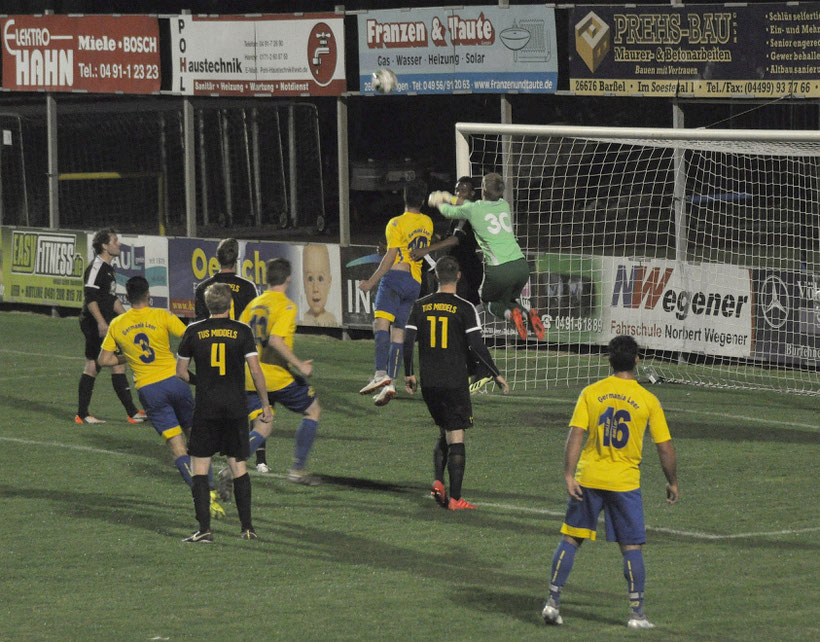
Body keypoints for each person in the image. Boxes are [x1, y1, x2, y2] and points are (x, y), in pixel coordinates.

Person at [540, 335, 679, 629]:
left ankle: (552, 603)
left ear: (609, 360)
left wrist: (568, 474)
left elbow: (576, 434)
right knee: (631, 547)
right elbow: (664, 447)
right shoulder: (648, 399)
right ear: (637, 361)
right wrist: (672, 482)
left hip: (588, 478)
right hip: (624, 484)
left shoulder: (592, 392)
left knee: (571, 538)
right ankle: (637, 615)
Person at [97, 276, 227, 521]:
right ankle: (209, 487)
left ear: (127, 297)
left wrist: (129, 357)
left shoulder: (117, 324)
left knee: (177, 449)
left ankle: (204, 496)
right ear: (148, 295)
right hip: (175, 381)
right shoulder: (162, 315)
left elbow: (103, 360)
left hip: (149, 389)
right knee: (196, 439)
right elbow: (190, 337)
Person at [403, 256, 509, 510]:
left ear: (436, 276)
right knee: (457, 435)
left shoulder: (420, 305)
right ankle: (456, 499)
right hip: (454, 381)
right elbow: (476, 345)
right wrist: (495, 372)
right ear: (459, 276)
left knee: (444, 429)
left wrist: (408, 373)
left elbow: (407, 341)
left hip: (429, 382)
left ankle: (439, 482)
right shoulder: (464, 307)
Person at [176, 283, 272, 542]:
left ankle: (204, 529)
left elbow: (181, 372)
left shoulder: (193, 331)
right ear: (230, 304)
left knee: (199, 467)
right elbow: (255, 369)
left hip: (206, 408)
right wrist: (265, 404)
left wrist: (202, 383)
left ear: (207, 305)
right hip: (235, 408)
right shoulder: (242, 330)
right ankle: (248, 528)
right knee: (238, 466)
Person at [218, 258, 321, 496]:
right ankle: (297, 470)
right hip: (274, 375)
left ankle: (231, 469)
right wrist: (300, 365)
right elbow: (276, 340)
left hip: (248, 375)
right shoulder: (285, 306)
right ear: (288, 279)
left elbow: (237, 336)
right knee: (313, 410)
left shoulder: (254, 304)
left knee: (263, 426)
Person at [430, 172, 545, 342]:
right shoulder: (504, 205)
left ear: (483, 190)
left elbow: (449, 212)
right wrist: (450, 197)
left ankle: (512, 316)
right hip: (521, 265)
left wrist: (439, 201)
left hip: (500, 268)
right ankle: (528, 314)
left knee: (487, 302)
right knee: (508, 299)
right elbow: (467, 204)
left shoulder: (474, 209)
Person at [411, 176, 493, 395]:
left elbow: (456, 241)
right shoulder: (458, 215)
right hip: (462, 273)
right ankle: (473, 373)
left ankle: (478, 372)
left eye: (465, 191)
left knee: (464, 326)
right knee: (465, 325)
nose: (460, 194)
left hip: (466, 273)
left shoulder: (468, 214)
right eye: (457, 190)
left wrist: (427, 250)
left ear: (473, 194)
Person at [192, 238, 267, 471]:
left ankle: (207, 454)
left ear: (216, 259)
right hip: (240, 350)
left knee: (212, 402)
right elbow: (255, 323)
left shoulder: (203, 287)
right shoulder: (248, 287)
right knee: (253, 405)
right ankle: (261, 460)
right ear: (237, 260)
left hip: (211, 352)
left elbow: (200, 324)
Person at [358, 180, 434, 406]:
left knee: (381, 326)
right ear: (422, 201)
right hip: (414, 283)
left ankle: (380, 374)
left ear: (404, 199)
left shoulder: (395, 223)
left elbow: (391, 256)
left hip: (395, 278)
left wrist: (372, 281)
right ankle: (390, 385)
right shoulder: (428, 223)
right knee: (398, 333)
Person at [75, 227, 145, 425]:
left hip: (106, 323)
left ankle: (131, 412)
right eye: (114, 241)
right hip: (94, 323)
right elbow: (90, 298)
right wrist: (101, 322)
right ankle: (83, 414)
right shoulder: (96, 267)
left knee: (113, 364)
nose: (118, 244)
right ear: (105, 246)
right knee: (95, 365)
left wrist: (127, 318)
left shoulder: (108, 269)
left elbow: (111, 298)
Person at [301, 243, 338, 327]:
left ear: (329, 283)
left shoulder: (332, 319)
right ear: (304, 284)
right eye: (310, 279)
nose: (315, 288)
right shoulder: (301, 319)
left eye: (320, 279)